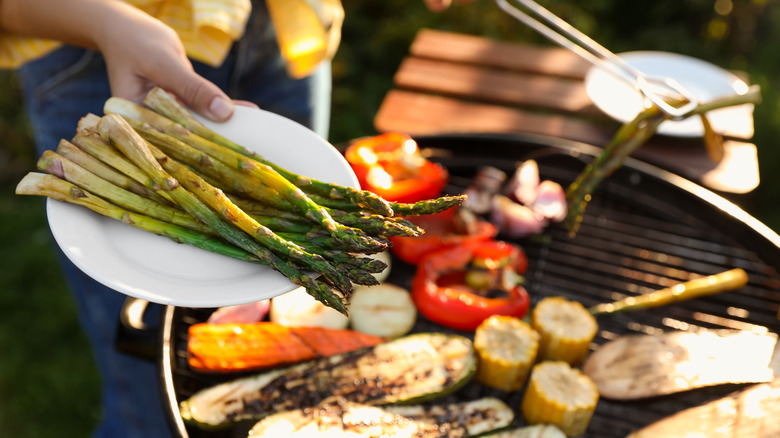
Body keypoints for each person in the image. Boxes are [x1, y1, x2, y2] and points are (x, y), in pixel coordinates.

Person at [0, 0, 466, 437]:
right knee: (143, 383)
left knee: (290, 207)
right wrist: (105, 23)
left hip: (285, 23)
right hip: (88, 37)